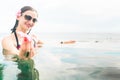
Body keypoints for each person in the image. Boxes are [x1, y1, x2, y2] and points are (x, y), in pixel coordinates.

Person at [1, 6, 43, 80]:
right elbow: (15, 53)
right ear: (18, 17)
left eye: (34, 20)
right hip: (19, 70)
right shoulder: (7, 40)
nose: (31, 22)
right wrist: (23, 55)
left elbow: (43, 44)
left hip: (33, 70)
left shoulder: (34, 38)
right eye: (28, 17)